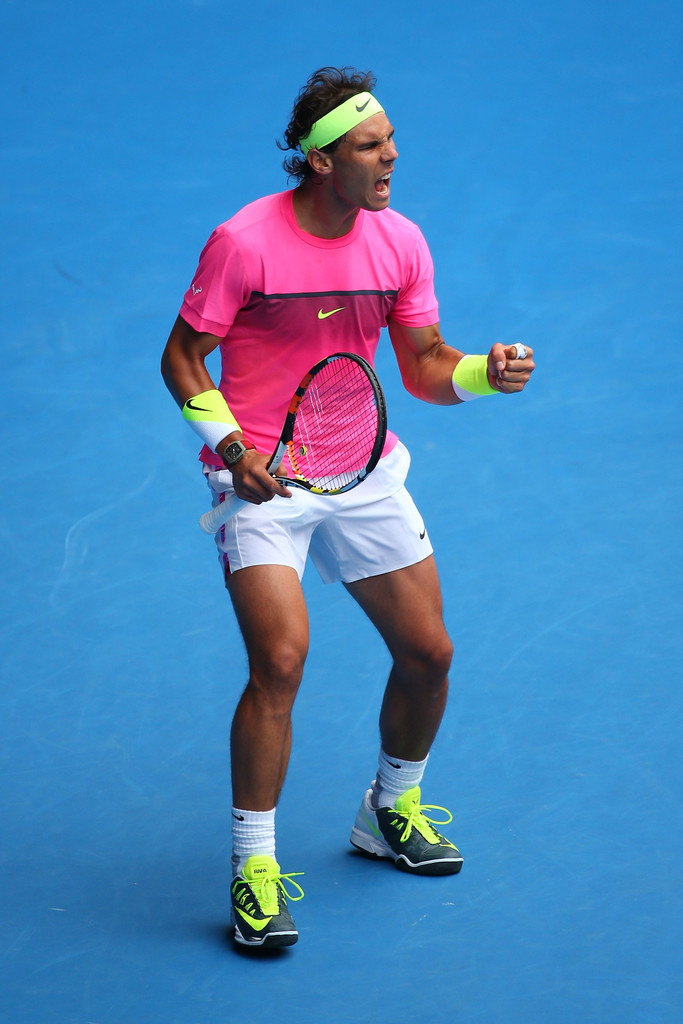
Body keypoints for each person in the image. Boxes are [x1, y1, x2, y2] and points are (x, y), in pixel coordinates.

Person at [161, 66, 534, 950]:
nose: (391, 156)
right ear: (321, 161)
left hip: (360, 467)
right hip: (263, 477)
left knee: (428, 652)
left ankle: (388, 811)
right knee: (280, 664)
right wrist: (232, 451)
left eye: (390, 141)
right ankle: (254, 866)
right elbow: (183, 359)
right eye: (371, 145)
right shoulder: (243, 242)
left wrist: (485, 372)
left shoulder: (397, 240)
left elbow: (424, 366)